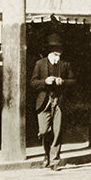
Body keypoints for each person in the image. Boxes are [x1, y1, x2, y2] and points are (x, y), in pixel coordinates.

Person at [29, 34, 75, 170]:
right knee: (43, 131)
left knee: (58, 130)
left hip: (59, 101)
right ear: (50, 52)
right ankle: (46, 154)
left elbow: (74, 81)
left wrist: (64, 82)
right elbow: (32, 82)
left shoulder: (65, 64)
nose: (58, 56)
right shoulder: (40, 64)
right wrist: (45, 82)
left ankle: (54, 160)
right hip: (44, 101)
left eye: (59, 52)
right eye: (55, 52)